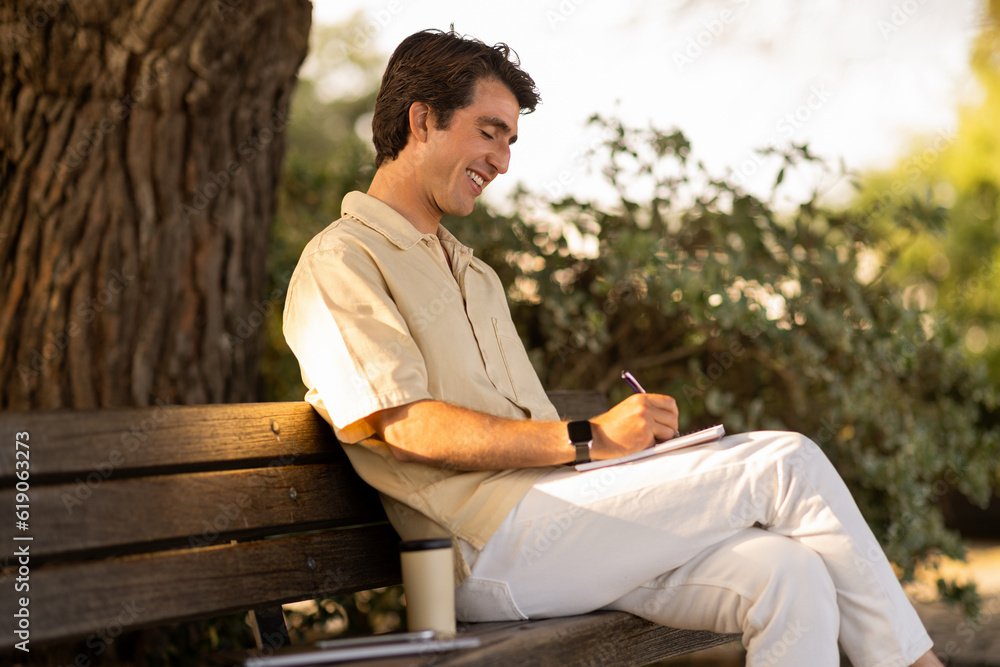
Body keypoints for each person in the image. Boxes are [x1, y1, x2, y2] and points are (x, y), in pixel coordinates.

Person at [282, 29, 944, 667]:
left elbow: (535, 433)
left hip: (565, 527)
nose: (503, 160)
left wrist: (634, 458)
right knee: (787, 462)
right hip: (485, 551)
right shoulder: (343, 261)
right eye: (489, 132)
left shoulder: (473, 274)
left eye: (511, 140)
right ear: (422, 121)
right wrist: (590, 437)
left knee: (789, 571)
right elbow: (407, 425)